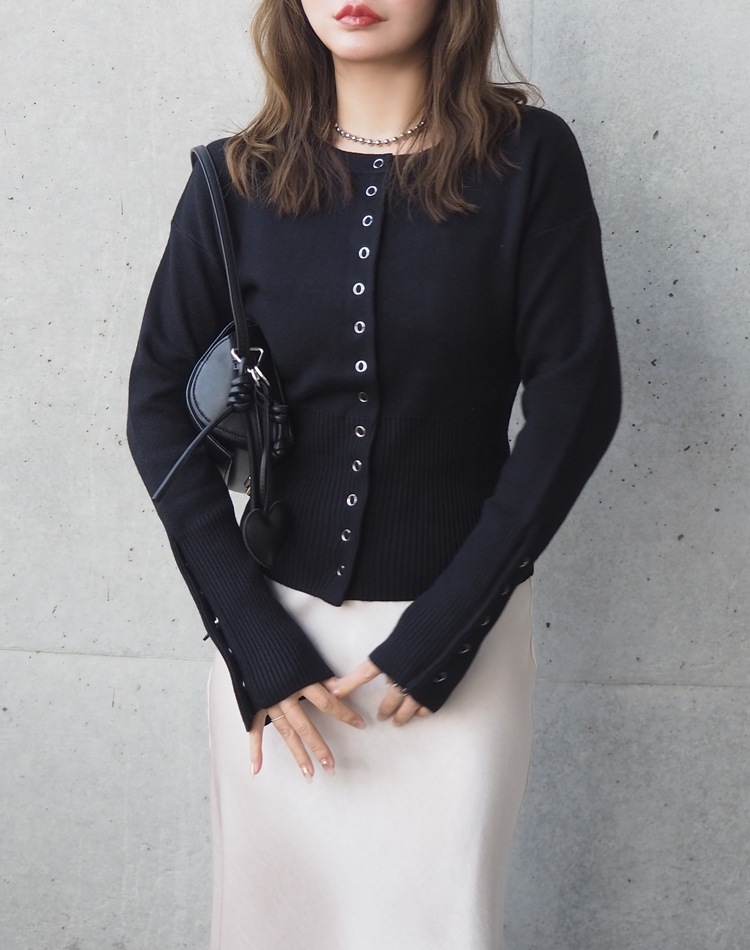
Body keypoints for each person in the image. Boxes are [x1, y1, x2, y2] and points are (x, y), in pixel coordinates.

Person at [127, 0, 621, 945]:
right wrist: (252, 640)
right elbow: (157, 407)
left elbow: (578, 400)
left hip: (460, 645)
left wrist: (448, 627)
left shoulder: (528, 160)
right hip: (274, 649)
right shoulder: (234, 177)